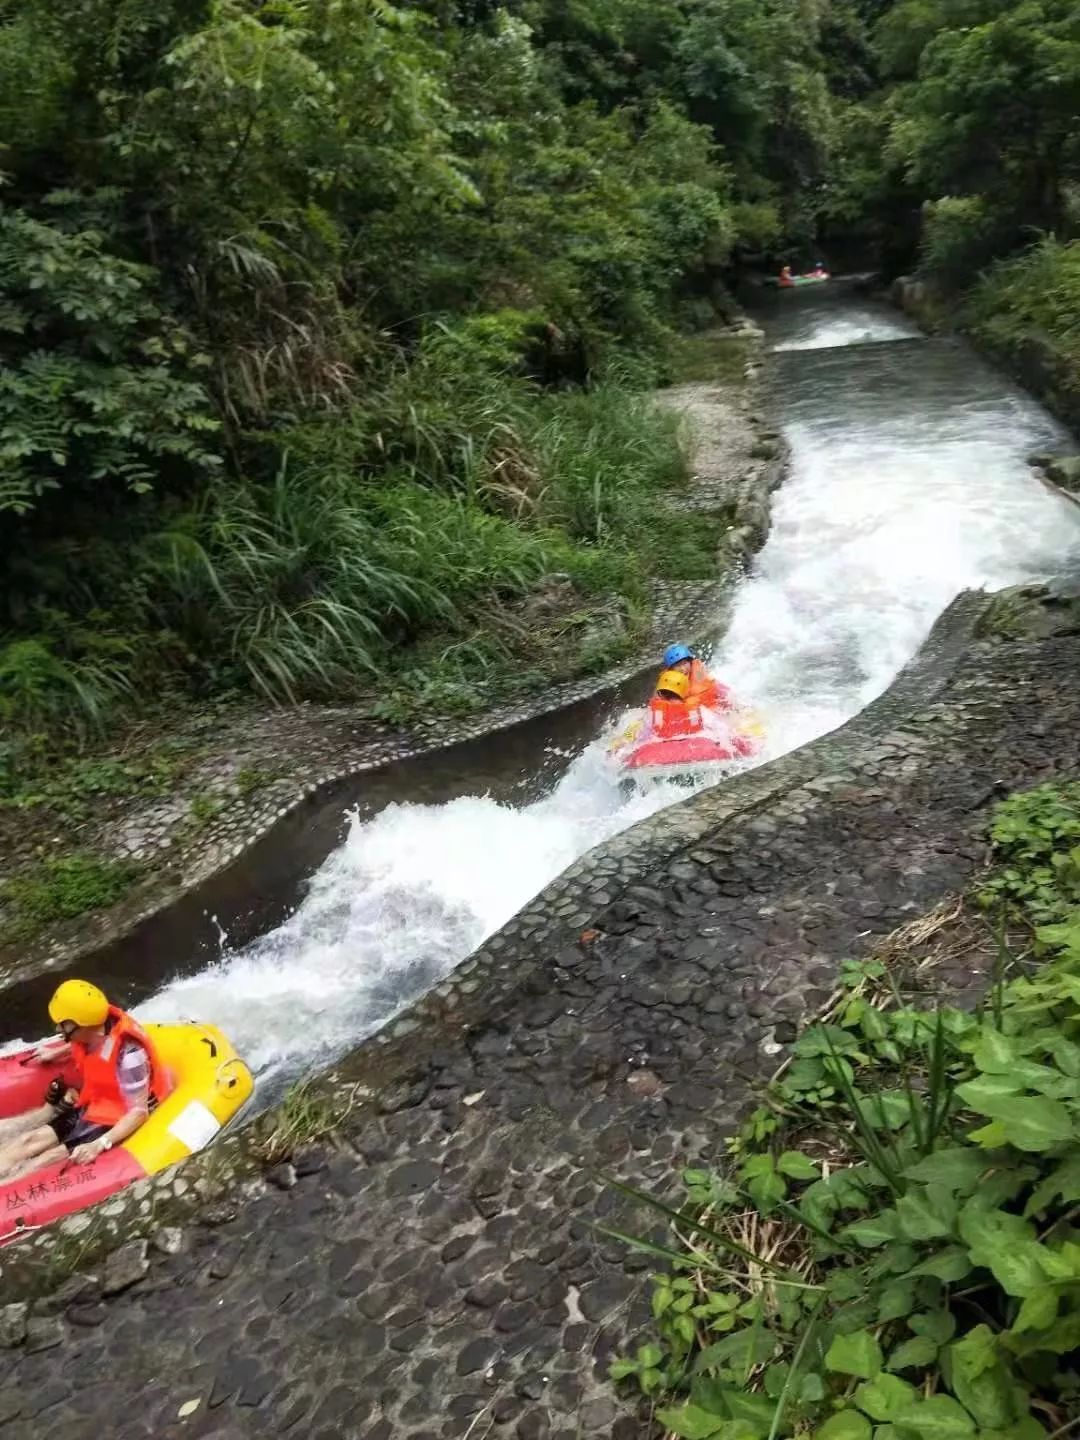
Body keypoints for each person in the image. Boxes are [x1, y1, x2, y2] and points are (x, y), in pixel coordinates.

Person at [0, 980, 168, 1179]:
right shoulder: (95, 1030)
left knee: (44, 1160)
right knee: (27, 1141)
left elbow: (138, 1112)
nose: (57, 1028)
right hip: (95, 1104)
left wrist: (100, 1144)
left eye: (63, 1023)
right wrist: (57, 1053)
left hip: (116, 1116)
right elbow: (92, 1045)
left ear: (81, 1024)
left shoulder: (130, 1055)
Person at [660, 644, 735, 713]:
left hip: (709, 703)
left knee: (725, 695)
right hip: (692, 710)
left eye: (684, 663)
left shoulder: (697, 670)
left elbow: (710, 685)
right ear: (671, 669)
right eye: (678, 666)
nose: (682, 669)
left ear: (690, 662)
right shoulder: (668, 680)